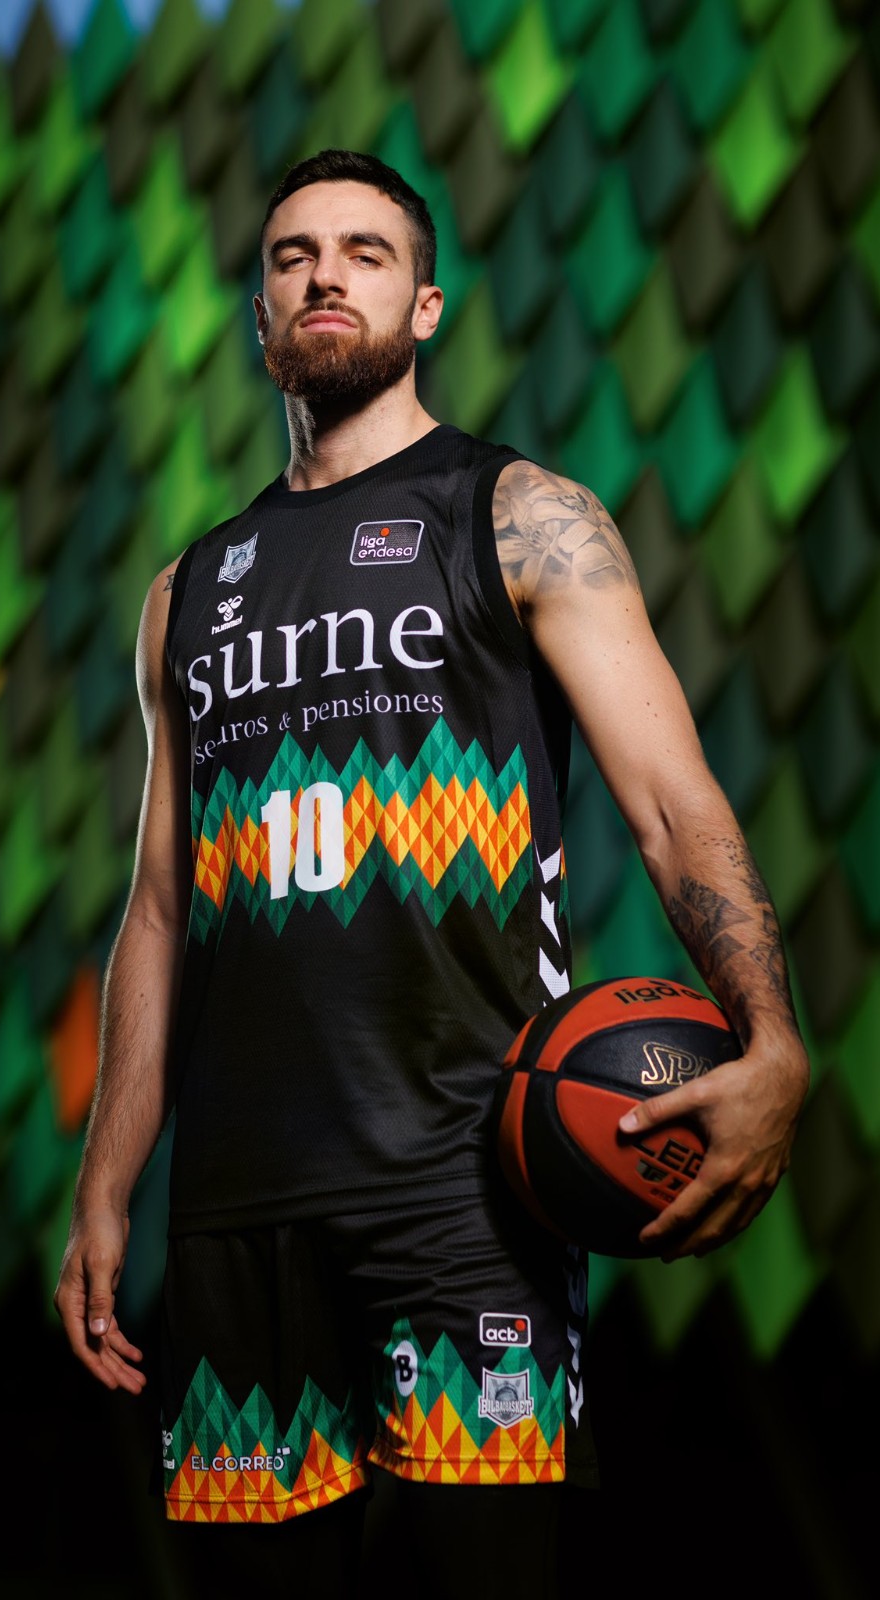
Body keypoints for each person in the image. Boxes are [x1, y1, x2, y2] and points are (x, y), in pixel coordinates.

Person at [54, 149, 809, 1597]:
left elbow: (671, 804)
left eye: (366, 251)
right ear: (260, 315)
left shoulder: (519, 515)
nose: (324, 276)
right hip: (237, 1210)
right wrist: (106, 1187)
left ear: (427, 304)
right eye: (291, 257)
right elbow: (157, 910)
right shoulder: (186, 592)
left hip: (468, 1181)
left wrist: (770, 1037)